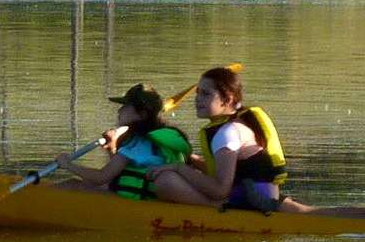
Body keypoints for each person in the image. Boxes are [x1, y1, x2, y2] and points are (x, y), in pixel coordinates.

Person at [143, 65, 301, 214]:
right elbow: (224, 170)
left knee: (165, 181)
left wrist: (178, 168)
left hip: (251, 200)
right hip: (265, 194)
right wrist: (190, 159)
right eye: (197, 93)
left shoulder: (227, 133)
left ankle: (213, 207)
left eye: (205, 94)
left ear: (227, 100)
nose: (197, 99)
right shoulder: (241, 122)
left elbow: (220, 189)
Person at [55, 84, 193, 199]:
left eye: (126, 106)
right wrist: (112, 147)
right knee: (89, 183)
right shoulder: (163, 137)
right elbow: (116, 175)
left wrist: (68, 165)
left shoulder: (136, 143)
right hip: (149, 197)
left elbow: (101, 177)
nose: (120, 110)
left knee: (72, 185)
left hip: (133, 203)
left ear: (142, 115)